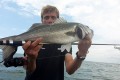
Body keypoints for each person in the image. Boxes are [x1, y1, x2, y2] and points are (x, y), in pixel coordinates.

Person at [22, 5, 92, 80]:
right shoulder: (33, 42)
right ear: (41, 21)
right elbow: (29, 70)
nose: (50, 20)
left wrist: (81, 54)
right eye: (46, 17)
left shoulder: (66, 42)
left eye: (53, 17)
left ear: (58, 20)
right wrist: (32, 58)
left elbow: (70, 70)